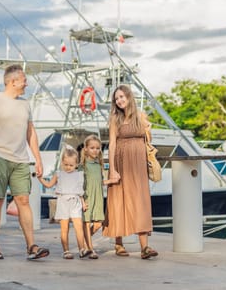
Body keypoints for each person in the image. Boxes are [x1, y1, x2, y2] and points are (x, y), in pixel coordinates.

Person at [0, 64, 49, 260]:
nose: (27, 82)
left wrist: (37, 159)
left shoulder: (25, 104)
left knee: (23, 200)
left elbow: (30, 133)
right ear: (13, 82)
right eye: (24, 79)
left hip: (21, 160)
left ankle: (32, 246)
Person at [102, 84, 158, 259]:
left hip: (138, 165)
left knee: (140, 202)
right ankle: (118, 243)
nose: (119, 101)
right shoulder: (115, 119)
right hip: (121, 161)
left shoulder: (141, 116)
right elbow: (111, 144)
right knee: (118, 200)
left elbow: (148, 140)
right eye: (116, 98)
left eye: (121, 97)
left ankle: (145, 248)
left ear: (128, 96)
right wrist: (112, 170)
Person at [38, 146, 91, 259]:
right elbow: (49, 185)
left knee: (78, 227)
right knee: (64, 228)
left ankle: (82, 249)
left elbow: (79, 191)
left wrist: (83, 203)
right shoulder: (59, 174)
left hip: (75, 202)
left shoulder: (79, 175)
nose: (68, 167)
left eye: (71, 165)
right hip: (63, 202)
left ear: (76, 164)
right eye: (66, 164)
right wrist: (40, 179)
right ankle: (66, 251)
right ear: (62, 162)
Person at [80, 134, 115, 259]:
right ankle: (90, 248)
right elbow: (79, 185)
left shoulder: (98, 164)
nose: (95, 150)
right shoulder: (82, 166)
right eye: (92, 148)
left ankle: (83, 243)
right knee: (87, 222)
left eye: (97, 148)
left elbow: (99, 182)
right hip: (88, 197)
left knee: (98, 223)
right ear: (86, 149)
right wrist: (82, 200)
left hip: (98, 198)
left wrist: (111, 181)